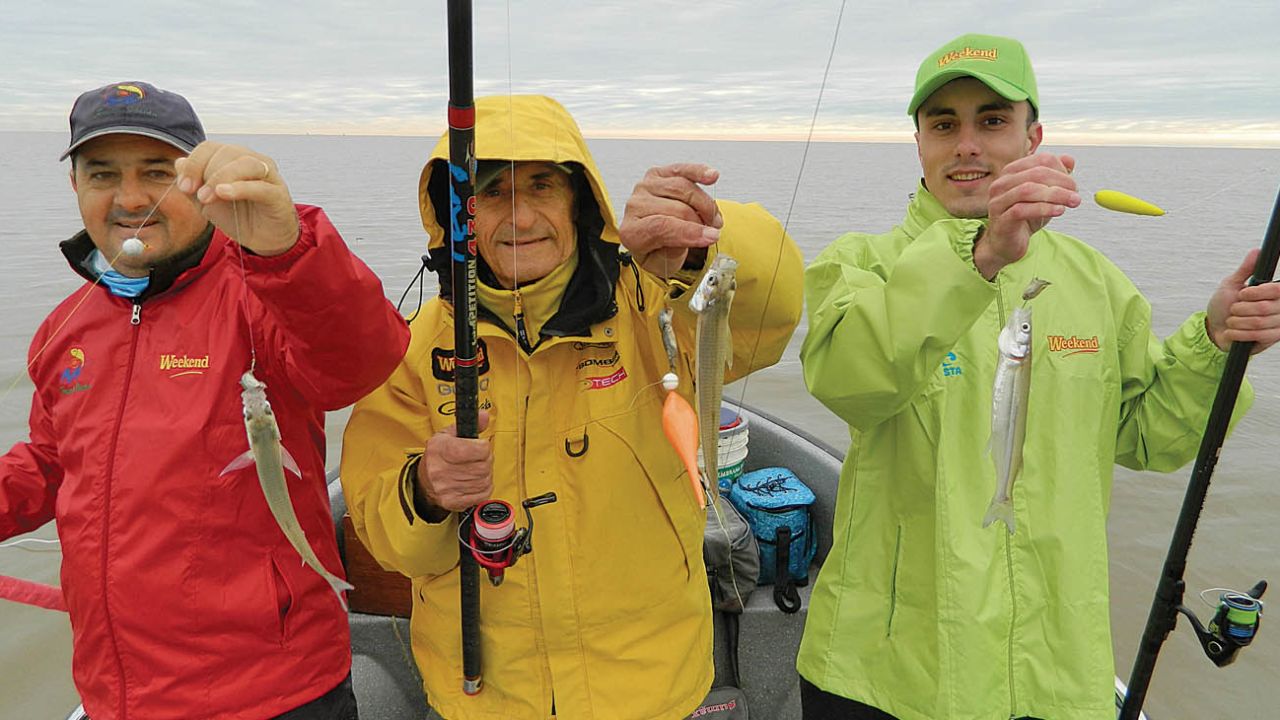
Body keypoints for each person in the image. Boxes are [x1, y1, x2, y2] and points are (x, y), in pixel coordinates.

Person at [796, 34, 1280, 720]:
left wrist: (1213, 343)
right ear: (920, 144)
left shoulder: (1093, 282)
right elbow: (850, 380)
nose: (967, 144)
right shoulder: (861, 264)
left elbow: (1148, 438)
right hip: (888, 678)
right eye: (944, 125)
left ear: (1034, 137)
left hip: (1053, 675)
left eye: (992, 121)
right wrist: (981, 257)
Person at [339, 94, 803, 720]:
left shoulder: (652, 304)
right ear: (458, 213)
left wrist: (701, 239)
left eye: (542, 186)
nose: (520, 215)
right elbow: (394, 543)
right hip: (485, 699)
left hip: (652, 688)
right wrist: (424, 491)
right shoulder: (411, 350)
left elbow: (770, 309)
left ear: (581, 203)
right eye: (491, 191)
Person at [0, 81, 410, 719]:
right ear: (75, 186)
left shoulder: (266, 287)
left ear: (197, 180)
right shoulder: (65, 326)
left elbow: (360, 361)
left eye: (157, 172)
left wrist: (285, 246)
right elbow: (52, 464)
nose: (131, 198)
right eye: (103, 173)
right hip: (115, 693)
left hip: (273, 694)